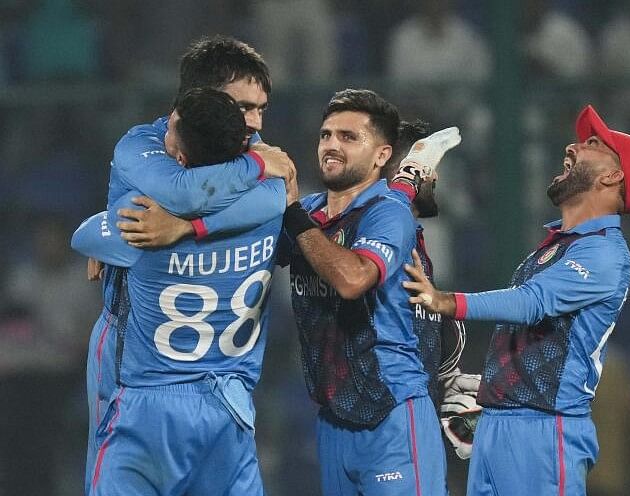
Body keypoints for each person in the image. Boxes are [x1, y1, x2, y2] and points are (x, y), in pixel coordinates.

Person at [402, 104, 630, 496]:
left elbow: (532, 302)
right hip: (502, 424)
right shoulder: (559, 245)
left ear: (612, 175)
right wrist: (491, 394)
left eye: (592, 144)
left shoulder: (605, 253)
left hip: (544, 431)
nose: (572, 146)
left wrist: (446, 301)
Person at [73, 87, 288, 495]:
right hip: (228, 404)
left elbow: (83, 236)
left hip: (148, 406)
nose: (164, 128)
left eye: (172, 129)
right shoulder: (268, 208)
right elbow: (279, 194)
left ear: (183, 161)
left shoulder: (145, 223)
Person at [278, 88, 449, 495]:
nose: (331, 145)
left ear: (381, 155)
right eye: (326, 135)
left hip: (391, 414)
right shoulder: (312, 210)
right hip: (334, 418)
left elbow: (353, 280)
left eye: (348, 137)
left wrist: (292, 216)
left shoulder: (387, 212)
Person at [385, 121, 482, 463]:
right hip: (385, 427)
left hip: (417, 420)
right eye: (432, 169)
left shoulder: (417, 239)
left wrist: (448, 386)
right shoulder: (374, 238)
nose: (436, 178)